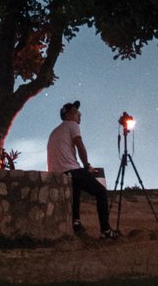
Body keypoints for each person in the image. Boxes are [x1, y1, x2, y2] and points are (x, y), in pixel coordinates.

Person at [46, 100, 118, 238]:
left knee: (76, 185)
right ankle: (106, 231)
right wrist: (87, 165)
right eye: (75, 112)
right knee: (101, 192)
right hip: (70, 170)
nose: (79, 114)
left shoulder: (55, 131)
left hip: (57, 172)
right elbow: (79, 145)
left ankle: (76, 222)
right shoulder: (72, 125)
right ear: (67, 115)